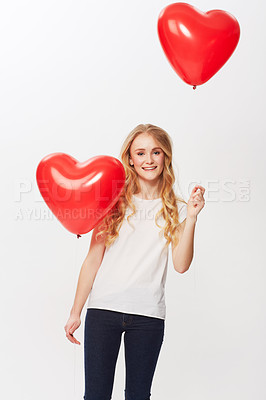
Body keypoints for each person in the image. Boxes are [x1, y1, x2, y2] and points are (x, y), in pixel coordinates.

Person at [64, 123, 205, 400]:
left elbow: (181, 264)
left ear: (166, 157)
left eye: (156, 152)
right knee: (95, 395)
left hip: (148, 315)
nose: (148, 160)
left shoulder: (176, 208)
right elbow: (93, 259)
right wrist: (75, 312)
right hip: (104, 310)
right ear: (130, 158)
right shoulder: (112, 201)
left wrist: (191, 218)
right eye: (140, 153)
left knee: (139, 395)